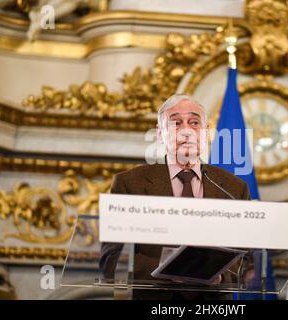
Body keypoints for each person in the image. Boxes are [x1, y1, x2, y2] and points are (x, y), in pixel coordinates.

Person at [99, 94, 251, 299]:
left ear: (205, 132)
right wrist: (172, 270)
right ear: (161, 134)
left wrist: (221, 275)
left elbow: (248, 259)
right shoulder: (130, 184)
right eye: (176, 123)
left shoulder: (234, 188)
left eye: (194, 122)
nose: (186, 130)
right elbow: (110, 259)